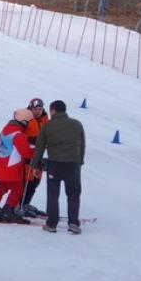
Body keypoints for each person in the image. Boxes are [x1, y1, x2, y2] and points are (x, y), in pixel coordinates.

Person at [29, 100, 86, 234]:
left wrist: (35, 165)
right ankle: (73, 223)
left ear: (53, 110)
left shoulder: (48, 126)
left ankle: (51, 224)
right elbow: (82, 145)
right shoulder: (77, 124)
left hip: (55, 164)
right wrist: (80, 161)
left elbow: (39, 147)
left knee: (53, 194)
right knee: (73, 194)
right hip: (73, 165)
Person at [19, 97, 49, 217]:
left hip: (39, 155)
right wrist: (29, 139)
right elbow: (17, 134)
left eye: (40, 109)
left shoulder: (45, 121)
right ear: (30, 108)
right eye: (35, 109)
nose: (38, 111)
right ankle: (19, 204)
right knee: (27, 181)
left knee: (36, 181)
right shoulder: (26, 119)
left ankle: (26, 203)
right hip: (27, 155)